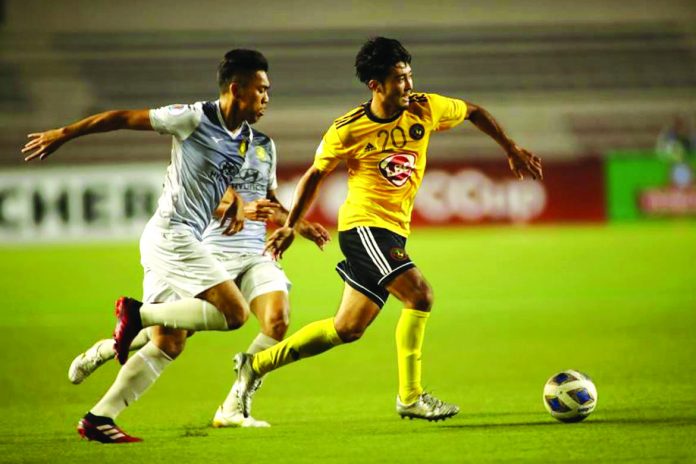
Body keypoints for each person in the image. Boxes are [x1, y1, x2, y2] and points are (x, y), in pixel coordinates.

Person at [231, 37, 544, 422]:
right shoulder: (348, 129)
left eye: (410, 76)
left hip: (393, 231)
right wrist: (292, 225)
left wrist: (510, 148)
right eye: (399, 79)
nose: (409, 86)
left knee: (346, 328)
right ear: (375, 85)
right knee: (421, 296)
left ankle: (255, 365)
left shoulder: (425, 108)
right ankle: (410, 397)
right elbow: (315, 175)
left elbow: (473, 111)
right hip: (365, 226)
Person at [22, 49, 322, 442]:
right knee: (233, 314)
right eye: (261, 90)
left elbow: (227, 188)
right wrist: (64, 134)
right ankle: (137, 314)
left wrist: (254, 211)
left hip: (183, 237)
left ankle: (99, 417)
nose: (268, 97)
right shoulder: (193, 117)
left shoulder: (249, 140)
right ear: (237, 89)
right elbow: (121, 118)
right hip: (172, 235)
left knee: (169, 342)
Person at [68, 193, 329, 429]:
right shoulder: (207, 145)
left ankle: (232, 408)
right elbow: (192, 199)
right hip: (208, 255)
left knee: (277, 319)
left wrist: (299, 225)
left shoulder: (262, 146)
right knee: (167, 338)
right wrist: (239, 209)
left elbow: (271, 203)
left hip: (255, 255)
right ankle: (107, 348)